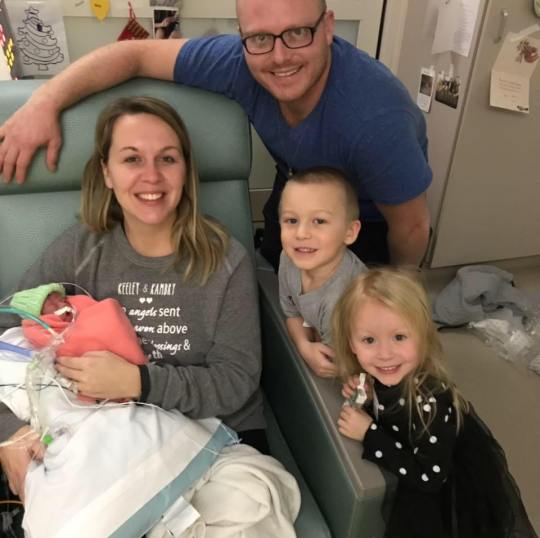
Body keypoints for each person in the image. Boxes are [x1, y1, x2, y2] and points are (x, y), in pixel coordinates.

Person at [0, 0, 432, 270]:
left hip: (368, 224)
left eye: (298, 33)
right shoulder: (237, 63)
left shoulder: (375, 119)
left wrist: (396, 294)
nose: (279, 57)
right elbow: (133, 54)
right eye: (259, 38)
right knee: (276, 293)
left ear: (328, 27)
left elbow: (411, 226)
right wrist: (44, 102)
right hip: (297, 185)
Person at [0, 96, 266, 511]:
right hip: (100, 439)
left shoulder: (225, 261)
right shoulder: (81, 250)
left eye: (168, 159)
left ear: (186, 170)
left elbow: (235, 380)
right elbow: (8, 333)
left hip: (212, 439)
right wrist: (10, 434)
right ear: (106, 172)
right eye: (131, 159)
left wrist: (139, 382)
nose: (152, 176)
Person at [332, 268, 537, 538]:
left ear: (422, 336)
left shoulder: (432, 402)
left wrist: (370, 434)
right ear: (351, 344)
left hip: (441, 483)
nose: (384, 354)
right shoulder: (382, 373)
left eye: (399, 337)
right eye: (369, 340)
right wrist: (369, 398)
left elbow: (429, 477)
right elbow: (390, 405)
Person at [278, 167, 366, 377]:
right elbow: (292, 312)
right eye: (292, 220)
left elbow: (337, 365)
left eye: (319, 221)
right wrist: (304, 345)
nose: (301, 234)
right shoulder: (288, 259)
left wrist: (313, 350)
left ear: (349, 232)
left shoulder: (344, 297)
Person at [9, 282, 148, 367]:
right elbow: (64, 345)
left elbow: (106, 315)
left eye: (62, 299)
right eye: (53, 305)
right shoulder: (38, 329)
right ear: (39, 316)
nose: (62, 304)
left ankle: (134, 360)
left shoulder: (77, 304)